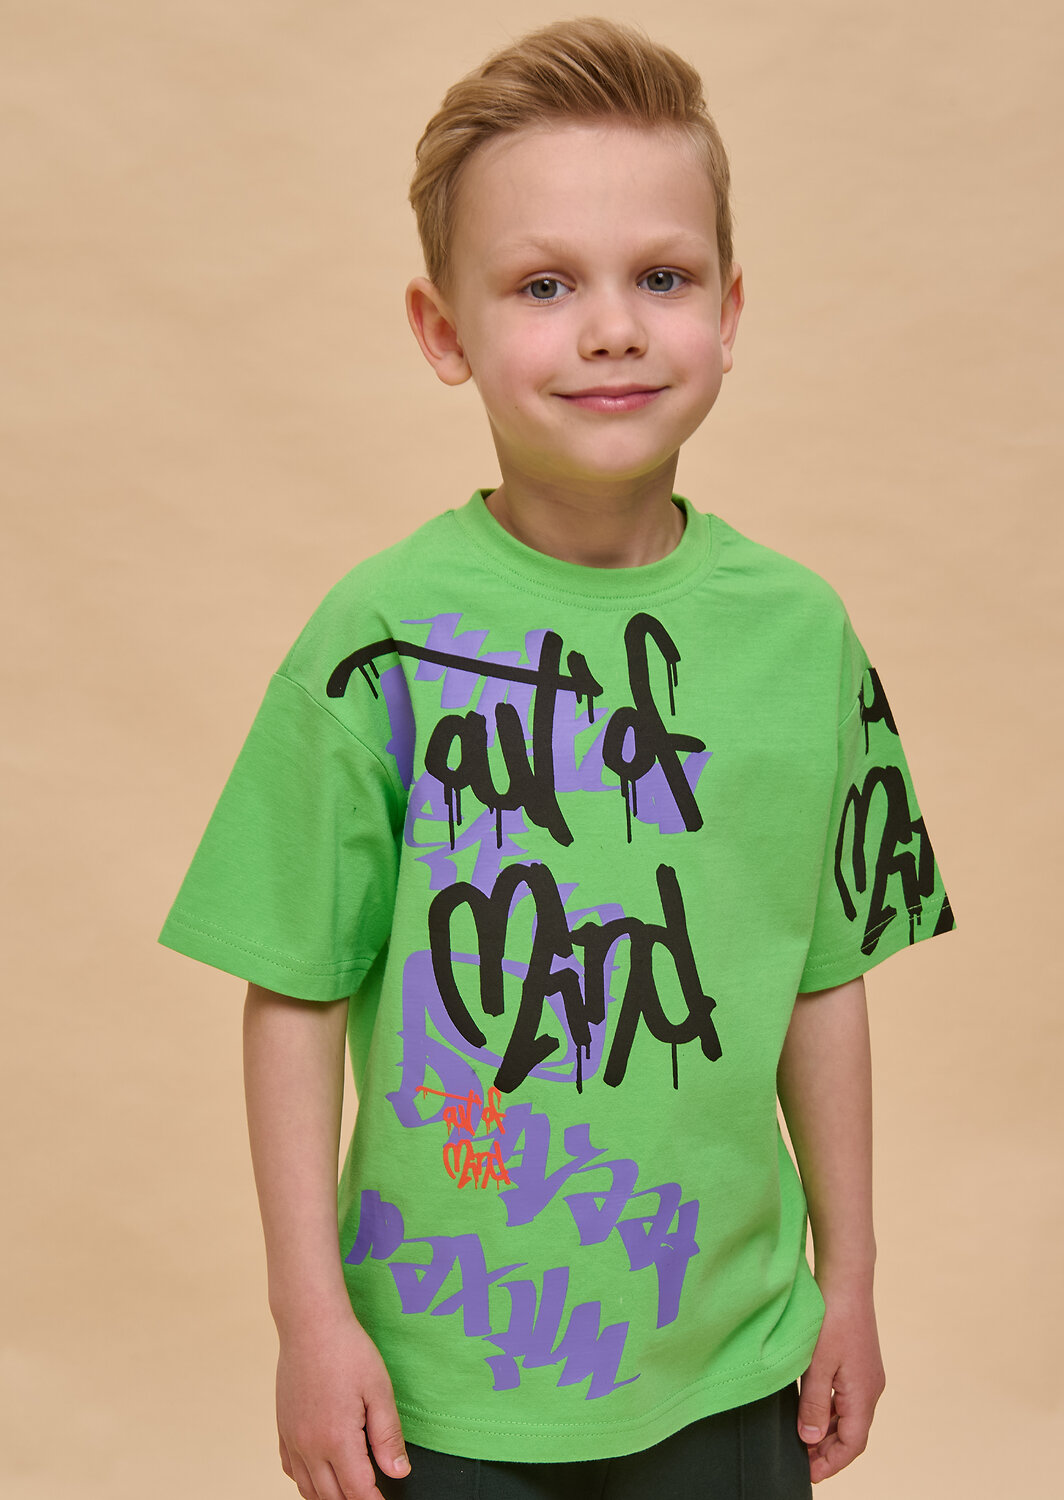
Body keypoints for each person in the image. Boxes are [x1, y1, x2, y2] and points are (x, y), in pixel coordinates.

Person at [160, 17, 953, 1499]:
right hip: (441, 1389)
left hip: (734, 1363)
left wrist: (847, 1281)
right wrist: (309, 1321)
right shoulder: (380, 638)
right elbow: (294, 991)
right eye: (544, 285)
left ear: (729, 309)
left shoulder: (803, 635)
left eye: (662, 277)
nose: (612, 329)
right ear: (442, 330)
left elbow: (822, 975)